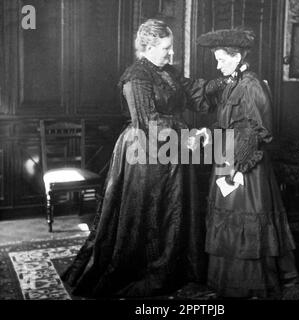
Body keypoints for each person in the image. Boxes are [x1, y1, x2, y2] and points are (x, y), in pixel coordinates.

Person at [61, 19, 225, 298]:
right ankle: (147, 267)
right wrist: (188, 132)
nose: (171, 54)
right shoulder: (136, 77)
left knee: (174, 207)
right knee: (148, 210)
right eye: (166, 48)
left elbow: (196, 91)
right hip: (144, 151)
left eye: (171, 48)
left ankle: (173, 265)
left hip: (173, 147)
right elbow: (147, 121)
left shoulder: (168, 71)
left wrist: (228, 82)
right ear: (148, 46)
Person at [197, 27, 299, 298]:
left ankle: (249, 282)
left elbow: (261, 131)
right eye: (216, 59)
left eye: (222, 59)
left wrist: (239, 166)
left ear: (238, 56)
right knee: (228, 217)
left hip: (245, 164)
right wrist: (211, 133)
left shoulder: (251, 84)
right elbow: (226, 123)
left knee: (246, 216)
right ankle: (228, 278)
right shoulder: (233, 83)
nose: (217, 65)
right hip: (228, 158)